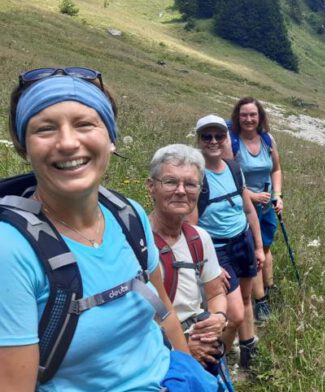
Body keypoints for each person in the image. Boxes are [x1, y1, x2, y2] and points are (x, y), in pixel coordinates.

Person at [0, 68, 215, 391]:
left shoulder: (128, 215)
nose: (68, 142)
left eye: (85, 124)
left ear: (110, 138)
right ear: (24, 147)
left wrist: (190, 373)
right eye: (45, 129)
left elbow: (164, 312)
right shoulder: (10, 250)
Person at [147, 143, 232, 388]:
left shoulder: (199, 238)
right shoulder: (136, 243)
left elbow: (215, 294)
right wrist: (182, 349)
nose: (181, 191)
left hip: (203, 346)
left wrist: (219, 318)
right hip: (159, 357)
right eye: (171, 182)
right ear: (151, 186)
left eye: (191, 184)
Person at [189, 114, 265, 370]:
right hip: (218, 250)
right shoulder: (196, 177)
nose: (213, 141)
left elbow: (248, 209)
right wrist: (209, 264)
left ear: (226, 138)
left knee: (246, 299)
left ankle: (245, 354)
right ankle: (214, 363)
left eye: (219, 136)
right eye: (206, 136)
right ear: (199, 140)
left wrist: (258, 247)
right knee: (233, 315)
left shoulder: (233, 169)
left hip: (243, 241)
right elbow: (192, 229)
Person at [225, 97, 284, 322]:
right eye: (244, 115)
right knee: (255, 253)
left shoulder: (268, 140)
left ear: (260, 117)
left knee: (266, 247)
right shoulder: (232, 143)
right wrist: (251, 195)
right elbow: (228, 176)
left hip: (267, 205)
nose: (248, 119)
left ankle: (269, 286)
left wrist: (277, 196)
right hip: (244, 208)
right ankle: (261, 301)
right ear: (237, 117)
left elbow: (276, 169)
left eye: (253, 115)